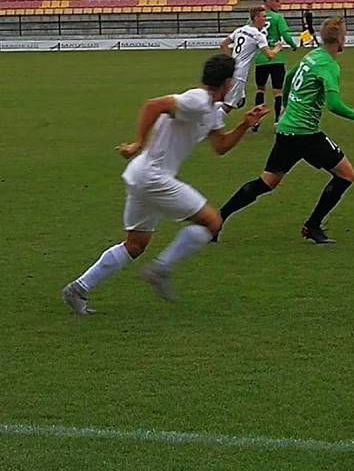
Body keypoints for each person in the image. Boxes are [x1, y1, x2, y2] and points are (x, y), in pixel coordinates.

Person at [61, 54, 267, 315]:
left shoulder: (212, 111)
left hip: (142, 176)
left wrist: (245, 125)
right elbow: (153, 105)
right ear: (228, 82)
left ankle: (78, 288)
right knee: (212, 222)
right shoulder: (197, 99)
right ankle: (160, 270)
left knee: (135, 245)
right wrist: (137, 142)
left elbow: (221, 147)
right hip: (154, 177)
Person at [217, 17, 354, 245]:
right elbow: (334, 105)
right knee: (346, 175)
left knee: (266, 182)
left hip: (287, 131)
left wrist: (285, 107)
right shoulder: (328, 65)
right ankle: (312, 226)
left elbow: (288, 77)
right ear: (340, 40)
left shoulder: (312, 56)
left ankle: (217, 220)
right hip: (305, 134)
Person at [219, 7, 282, 113]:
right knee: (228, 106)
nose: (265, 20)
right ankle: (208, 123)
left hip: (231, 70)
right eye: (264, 17)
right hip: (240, 75)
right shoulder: (258, 35)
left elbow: (223, 44)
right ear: (256, 18)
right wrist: (278, 48)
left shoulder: (240, 29)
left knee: (238, 101)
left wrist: (230, 61)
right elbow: (270, 55)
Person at [252, 0, 299, 131]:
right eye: (276, 1)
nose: (279, 4)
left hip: (261, 58)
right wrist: (293, 45)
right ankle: (278, 120)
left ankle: (256, 121)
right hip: (276, 59)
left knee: (260, 90)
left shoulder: (255, 18)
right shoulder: (278, 17)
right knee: (278, 91)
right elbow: (285, 34)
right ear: (268, 2)